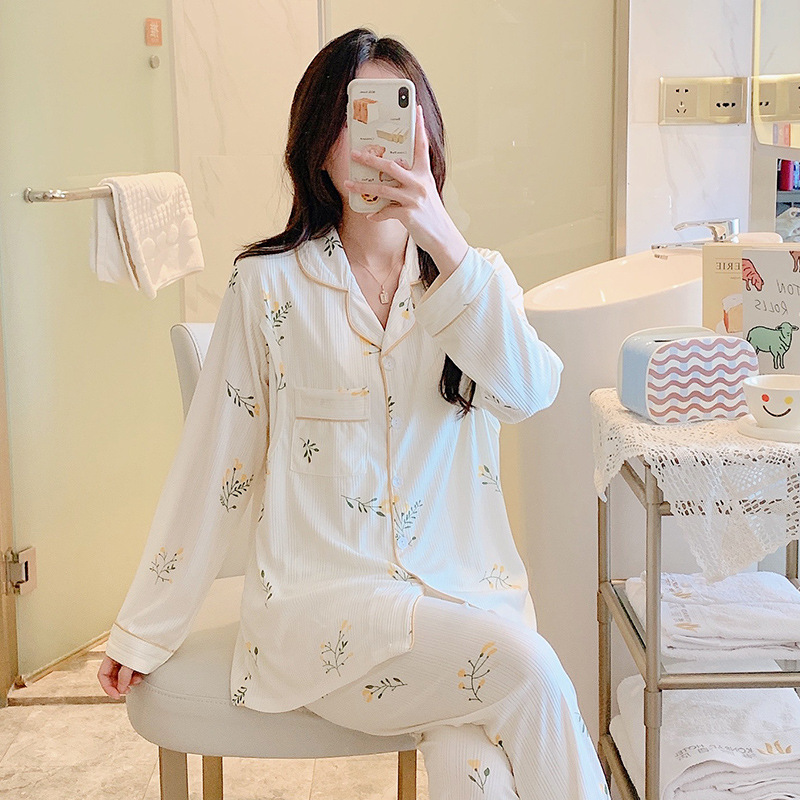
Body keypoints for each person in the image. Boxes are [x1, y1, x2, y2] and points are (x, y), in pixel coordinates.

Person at [98, 27, 610, 799]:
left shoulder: (475, 278)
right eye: (351, 116)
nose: (374, 141)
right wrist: (145, 625)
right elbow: (215, 466)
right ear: (319, 147)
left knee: (474, 771)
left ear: (425, 135)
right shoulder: (267, 286)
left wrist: (442, 238)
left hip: (467, 604)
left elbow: (530, 393)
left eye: (392, 113)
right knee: (533, 675)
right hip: (326, 619)